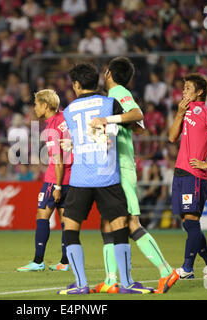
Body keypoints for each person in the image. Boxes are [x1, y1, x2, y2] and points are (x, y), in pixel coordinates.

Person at [57, 62, 153, 295]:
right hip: (107, 176)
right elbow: (137, 118)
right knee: (119, 226)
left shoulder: (68, 111)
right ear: (97, 81)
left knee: (71, 228)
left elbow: (75, 139)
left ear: (77, 85)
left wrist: (73, 144)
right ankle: (127, 283)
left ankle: (81, 285)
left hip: (80, 178)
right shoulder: (109, 102)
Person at [90, 57, 178, 294]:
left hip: (121, 166)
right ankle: (110, 280)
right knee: (107, 223)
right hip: (113, 166)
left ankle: (166, 270)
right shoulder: (112, 97)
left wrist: (107, 120)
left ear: (108, 73)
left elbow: (137, 114)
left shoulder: (118, 91)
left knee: (130, 222)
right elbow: (136, 125)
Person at [168, 73, 207, 280]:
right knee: (188, 223)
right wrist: (179, 113)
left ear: (200, 91)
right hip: (180, 172)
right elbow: (171, 138)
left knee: (192, 221)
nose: (183, 91)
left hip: (194, 175)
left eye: (188, 88)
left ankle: (187, 268)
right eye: (183, 87)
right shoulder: (185, 111)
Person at [16, 89, 72, 272]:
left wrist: (56, 185)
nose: (34, 108)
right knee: (65, 218)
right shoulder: (66, 118)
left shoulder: (50, 129)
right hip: (72, 177)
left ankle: (38, 260)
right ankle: (65, 262)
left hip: (55, 178)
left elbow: (57, 160)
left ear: (45, 106)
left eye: (36, 104)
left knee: (42, 215)